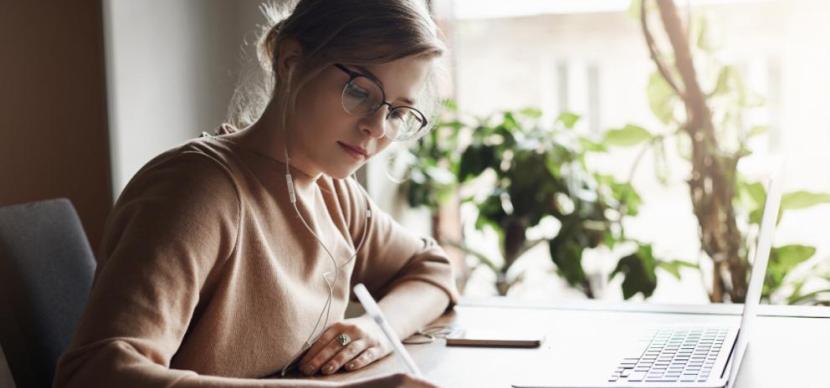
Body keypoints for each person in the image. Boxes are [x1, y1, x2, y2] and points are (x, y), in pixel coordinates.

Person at [53, 0, 459, 387]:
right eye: (359, 91)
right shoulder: (195, 192)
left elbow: (432, 268)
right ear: (290, 61)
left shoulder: (335, 195)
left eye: (398, 112)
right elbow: (94, 376)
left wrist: (379, 330)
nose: (378, 127)